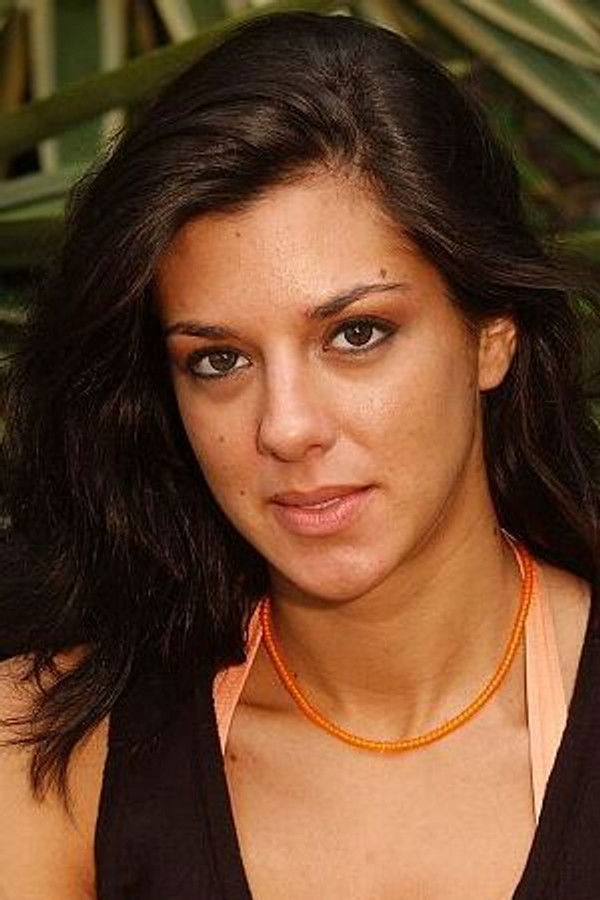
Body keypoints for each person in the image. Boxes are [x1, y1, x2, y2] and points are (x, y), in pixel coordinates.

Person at [0, 9, 598, 898]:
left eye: (356, 334)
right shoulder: (51, 750)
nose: (285, 427)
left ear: (490, 335)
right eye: (219, 360)